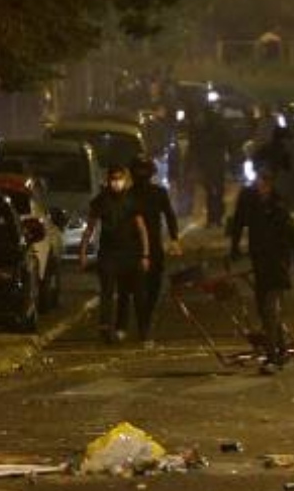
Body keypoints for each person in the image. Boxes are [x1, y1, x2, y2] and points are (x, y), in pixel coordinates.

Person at [228, 168, 294, 374]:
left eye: (263, 183)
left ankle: (272, 358)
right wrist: (234, 248)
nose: (259, 186)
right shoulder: (254, 207)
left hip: (277, 267)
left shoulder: (279, 211)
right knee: (266, 313)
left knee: (270, 311)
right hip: (261, 266)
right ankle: (281, 350)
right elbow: (238, 223)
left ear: (270, 186)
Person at [79, 165, 151, 345]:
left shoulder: (132, 200)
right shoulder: (101, 201)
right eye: (113, 179)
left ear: (125, 180)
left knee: (134, 293)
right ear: (108, 180)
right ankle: (105, 327)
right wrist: (83, 253)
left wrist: (145, 254)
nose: (116, 183)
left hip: (130, 253)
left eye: (120, 179)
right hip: (108, 253)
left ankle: (139, 330)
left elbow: (141, 228)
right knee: (107, 291)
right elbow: (90, 228)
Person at [129, 156, 182, 342]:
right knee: (139, 287)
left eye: (145, 170)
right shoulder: (128, 194)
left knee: (153, 286)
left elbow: (169, 215)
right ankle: (143, 324)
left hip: (154, 245)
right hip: (133, 246)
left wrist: (174, 238)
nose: (142, 174)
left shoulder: (159, 193)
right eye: (139, 170)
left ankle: (146, 318)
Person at [191, 94, 231, 228]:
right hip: (217, 161)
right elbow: (227, 141)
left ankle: (211, 219)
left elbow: (195, 143)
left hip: (206, 161)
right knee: (217, 190)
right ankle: (217, 218)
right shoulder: (219, 123)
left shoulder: (200, 124)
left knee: (209, 191)